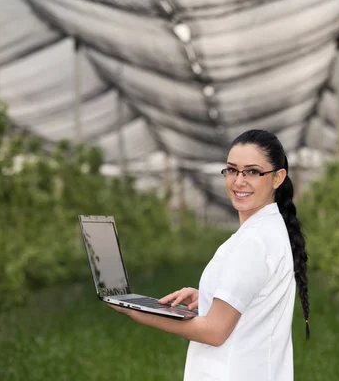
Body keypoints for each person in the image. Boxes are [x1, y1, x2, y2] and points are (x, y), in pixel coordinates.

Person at [108, 129, 310, 381]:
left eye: (253, 172)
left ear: (278, 177)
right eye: (232, 170)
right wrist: (209, 295)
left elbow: (215, 331)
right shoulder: (268, 230)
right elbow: (253, 297)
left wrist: (138, 312)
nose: (239, 181)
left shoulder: (253, 241)